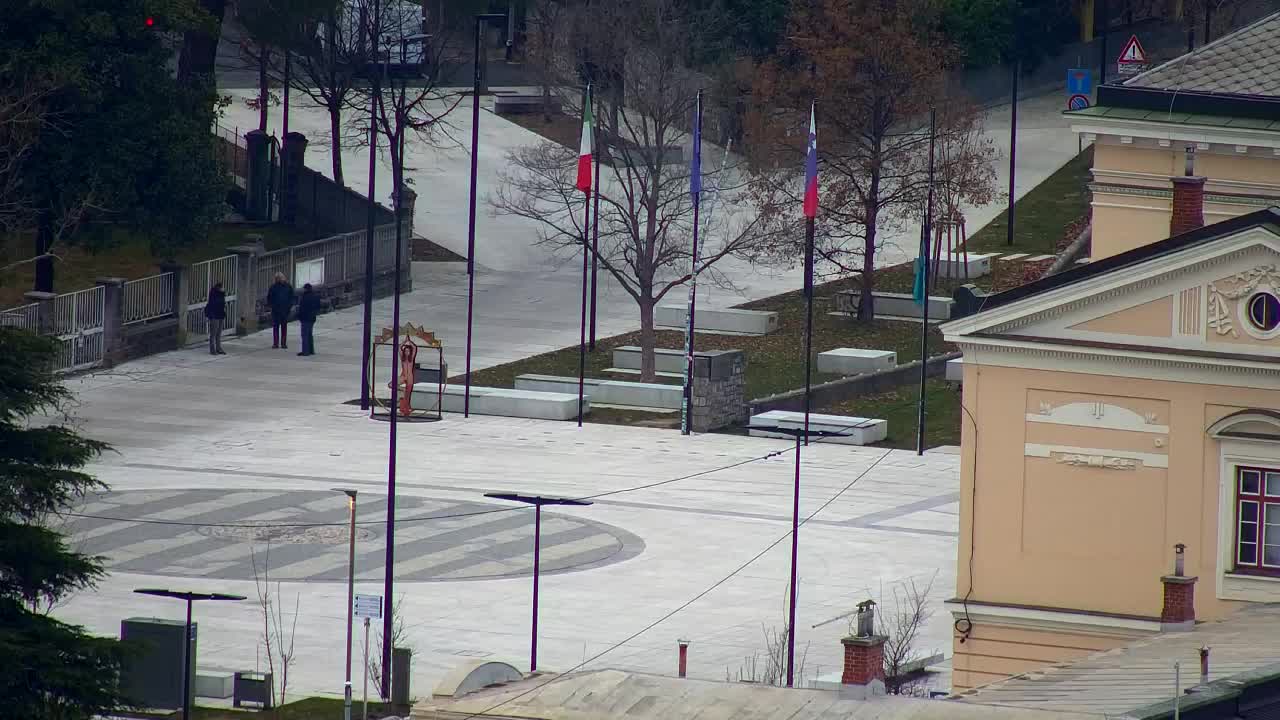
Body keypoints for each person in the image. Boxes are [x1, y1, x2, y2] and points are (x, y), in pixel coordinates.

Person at [266, 272, 295, 349]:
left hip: (285, 310)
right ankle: (275, 343)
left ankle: (283, 343)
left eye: (281, 278)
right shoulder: (273, 287)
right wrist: (271, 306)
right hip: (276, 311)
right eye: (278, 278)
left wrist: (290, 306)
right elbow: (269, 298)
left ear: (283, 278)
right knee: (276, 327)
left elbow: (292, 297)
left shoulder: (288, 286)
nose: (280, 279)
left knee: (284, 327)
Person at [296, 283, 321, 356]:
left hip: (305, 318)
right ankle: (311, 350)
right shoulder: (315, 296)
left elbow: (302, 308)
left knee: (304, 335)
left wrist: (299, 316)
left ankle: (305, 351)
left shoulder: (304, 297)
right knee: (310, 334)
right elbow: (318, 306)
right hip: (312, 318)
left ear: (306, 289)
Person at [205, 281, 227, 355]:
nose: (224, 289)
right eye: (222, 287)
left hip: (220, 315)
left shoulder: (221, 294)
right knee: (213, 333)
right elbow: (214, 305)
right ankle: (212, 349)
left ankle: (219, 348)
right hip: (214, 316)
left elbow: (223, 304)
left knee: (219, 333)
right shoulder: (214, 295)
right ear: (219, 288)